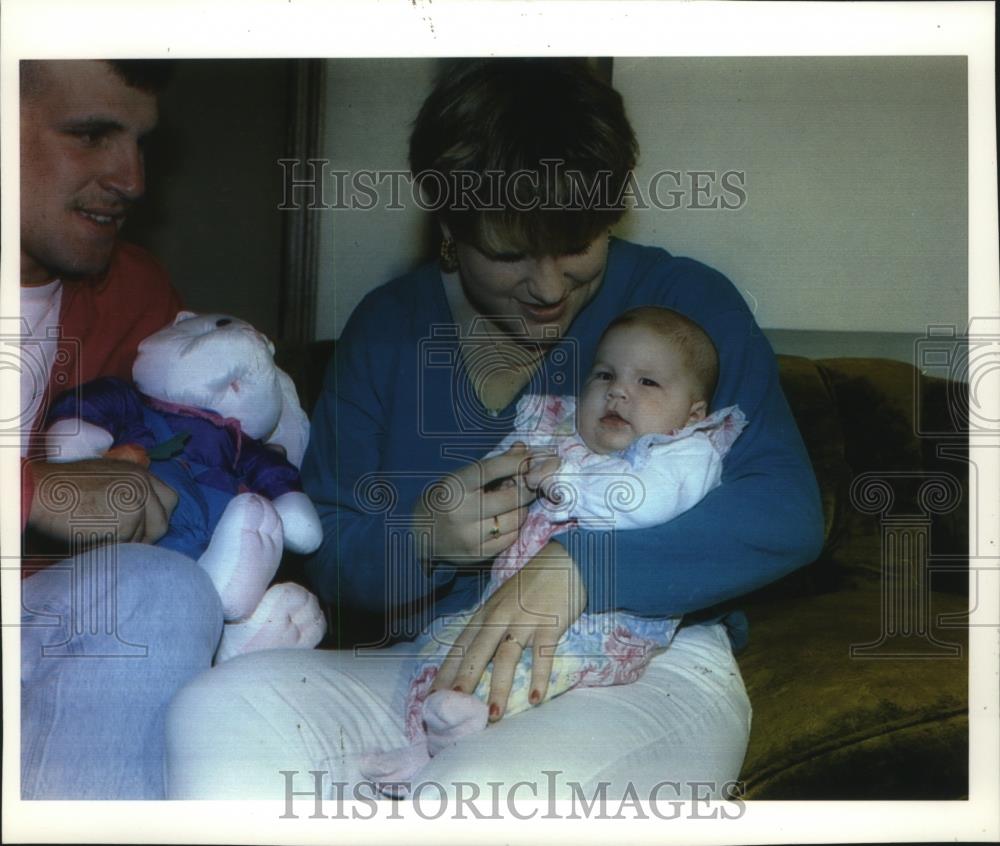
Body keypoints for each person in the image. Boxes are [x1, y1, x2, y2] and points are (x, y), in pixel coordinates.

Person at [165, 58, 823, 801]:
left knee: (469, 797)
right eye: (509, 252)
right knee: (219, 712)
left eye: (577, 245)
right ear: (449, 226)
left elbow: (787, 510)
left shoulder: (682, 303)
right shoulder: (386, 328)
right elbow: (333, 551)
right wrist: (419, 541)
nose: (547, 290)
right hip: (440, 665)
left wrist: (585, 569)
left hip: (646, 662)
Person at [359, 305, 748, 790]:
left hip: (609, 618)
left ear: (692, 414)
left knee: (530, 672)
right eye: (604, 374)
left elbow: (644, 504)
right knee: (447, 645)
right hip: (508, 600)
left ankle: (448, 741)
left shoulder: (682, 453)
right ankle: (429, 734)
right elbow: (502, 469)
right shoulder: (563, 434)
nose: (619, 389)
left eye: (648, 383)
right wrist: (512, 479)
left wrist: (563, 482)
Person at [18, 59, 225, 799]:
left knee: (164, 592)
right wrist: (39, 492)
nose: (132, 179)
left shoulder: (138, 294)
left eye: (140, 142)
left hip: (37, 632)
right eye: (90, 134)